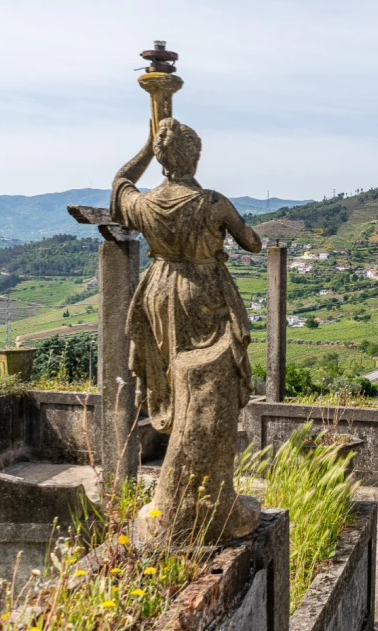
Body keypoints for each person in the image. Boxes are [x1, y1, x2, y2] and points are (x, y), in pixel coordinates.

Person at [112, 116, 263, 541]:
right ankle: (201, 502)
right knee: (210, 394)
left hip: (160, 294)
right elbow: (250, 242)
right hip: (204, 293)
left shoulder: (142, 203)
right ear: (195, 156)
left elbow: (120, 181)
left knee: (180, 390)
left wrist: (145, 146)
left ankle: (184, 499)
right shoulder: (213, 202)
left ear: (160, 159)